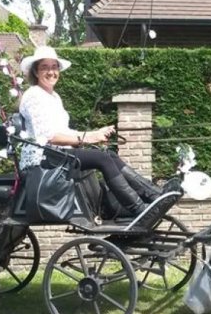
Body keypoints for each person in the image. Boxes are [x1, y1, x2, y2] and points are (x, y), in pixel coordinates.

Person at [18, 45, 179, 224]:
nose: (51, 72)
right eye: (45, 67)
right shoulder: (34, 95)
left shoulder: (54, 97)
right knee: (101, 158)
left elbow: (65, 131)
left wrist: (95, 133)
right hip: (45, 160)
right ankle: (140, 209)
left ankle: (153, 194)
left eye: (54, 67)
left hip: (58, 155)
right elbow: (49, 136)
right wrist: (88, 138)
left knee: (108, 154)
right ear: (35, 71)